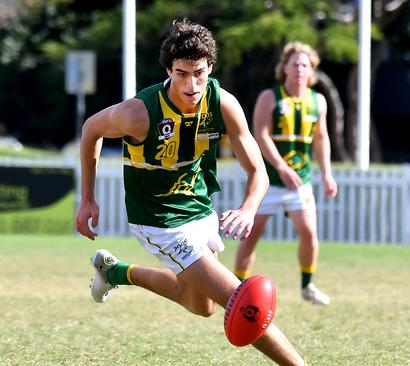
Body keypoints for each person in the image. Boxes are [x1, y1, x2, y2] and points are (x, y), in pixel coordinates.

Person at [76, 19, 305, 365]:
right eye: (182, 73)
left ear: (210, 67)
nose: (191, 84)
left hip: (199, 211)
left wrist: (247, 208)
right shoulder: (140, 113)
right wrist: (88, 198)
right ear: (169, 70)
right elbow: (91, 128)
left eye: (199, 72)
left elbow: (258, 172)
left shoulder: (222, 105)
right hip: (158, 222)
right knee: (240, 301)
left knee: (203, 307)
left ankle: (115, 272)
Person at [233, 41, 338, 306]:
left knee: (309, 234)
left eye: (305, 65)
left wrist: (327, 173)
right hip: (268, 181)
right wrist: (281, 167)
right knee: (251, 234)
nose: (300, 70)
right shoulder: (270, 97)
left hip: (299, 181)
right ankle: (236, 288)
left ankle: (307, 285)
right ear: (285, 68)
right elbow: (261, 135)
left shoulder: (318, 101)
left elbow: (322, 137)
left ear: (311, 68)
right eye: (295, 64)